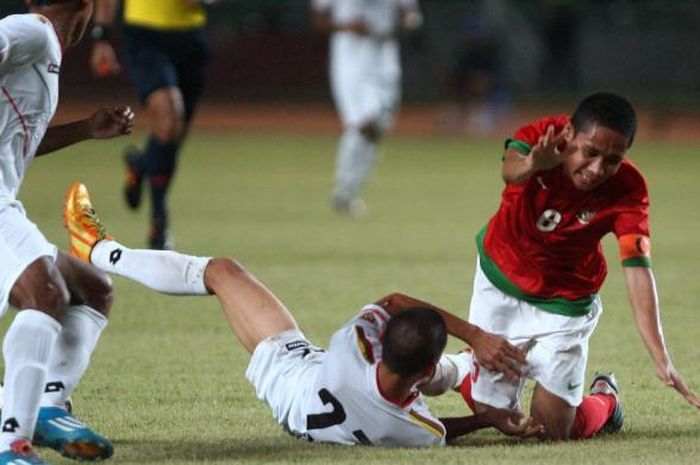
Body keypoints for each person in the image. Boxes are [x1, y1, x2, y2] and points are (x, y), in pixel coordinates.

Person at [63, 181, 543, 446]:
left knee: (222, 272)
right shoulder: (410, 430)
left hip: (290, 373)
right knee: (441, 372)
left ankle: (100, 251)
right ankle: (463, 369)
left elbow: (395, 302)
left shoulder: (355, 346)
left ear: (382, 348)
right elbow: (441, 431)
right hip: (308, 412)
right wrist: (490, 418)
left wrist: (474, 335)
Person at [460, 92, 700, 441]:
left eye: (613, 160)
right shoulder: (544, 137)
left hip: (565, 300)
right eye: (590, 153)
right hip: (499, 284)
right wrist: (533, 166)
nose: (596, 170)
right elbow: (509, 171)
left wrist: (661, 357)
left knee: (551, 432)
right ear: (571, 134)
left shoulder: (629, 190)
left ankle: (606, 399)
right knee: (492, 416)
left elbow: (637, 268)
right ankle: (465, 367)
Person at [0, 1, 135, 464]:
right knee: (47, 294)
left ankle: (46, 406)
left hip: (4, 203)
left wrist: (83, 130)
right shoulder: (32, 32)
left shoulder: (44, 50)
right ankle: (12, 444)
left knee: (92, 288)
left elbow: (19, 140)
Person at [89, 0, 213, 249]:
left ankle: (142, 165)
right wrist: (102, 36)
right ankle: (159, 222)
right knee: (169, 118)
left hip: (191, 39)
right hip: (145, 35)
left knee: (175, 135)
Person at [311, 0, 422, 217]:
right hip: (350, 56)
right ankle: (344, 187)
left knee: (378, 128)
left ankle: (349, 191)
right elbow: (319, 19)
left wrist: (404, 24)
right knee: (363, 122)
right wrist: (347, 26)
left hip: (384, 57)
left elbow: (411, 17)